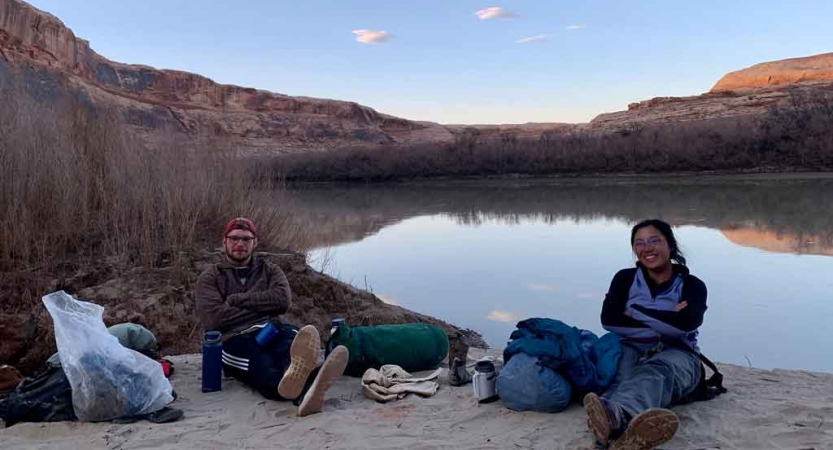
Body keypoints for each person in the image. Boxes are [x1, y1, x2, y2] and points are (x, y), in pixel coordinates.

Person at [195, 217, 348, 417]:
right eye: (234, 239)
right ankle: (310, 385)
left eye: (246, 239)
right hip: (233, 339)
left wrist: (236, 300)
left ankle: (304, 383)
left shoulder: (270, 270)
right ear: (224, 242)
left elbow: (283, 301)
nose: (240, 244)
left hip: (271, 328)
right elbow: (214, 319)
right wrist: (264, 308)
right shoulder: (210, 277)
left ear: (254, 243)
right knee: (263, 367)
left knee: (289, 349)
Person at [584, 219, 707, 450]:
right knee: (619, 379)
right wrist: (666, 316)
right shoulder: (624, 279)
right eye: (639, 243)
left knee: (654, 373)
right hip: (631, 348)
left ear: (670, 245)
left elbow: (684, 325)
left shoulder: (693, 286)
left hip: (679, 354)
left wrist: (633, 310)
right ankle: (616, 434)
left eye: (654, 240)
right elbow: (609, 320)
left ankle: (617, 417)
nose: (647, 248)